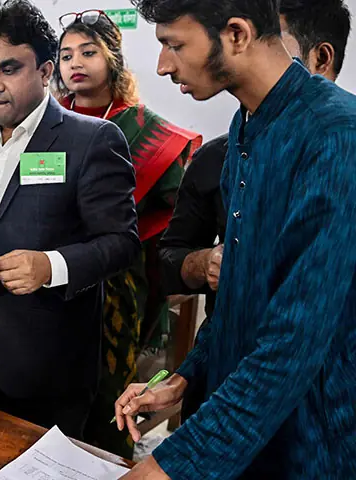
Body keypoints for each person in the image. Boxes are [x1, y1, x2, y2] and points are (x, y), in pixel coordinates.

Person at [115, 0, 356, 478]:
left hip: (306, 446)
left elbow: (292, 341)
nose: (163, 65)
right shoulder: (246, 124)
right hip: (240, 437)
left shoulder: (335, 135)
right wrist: (186, 377)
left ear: (238, 34)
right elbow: (238, 301)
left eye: (174, 45)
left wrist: (174, 464)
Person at [0, 0, 139, 440]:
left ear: (44, 72)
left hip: (44, 368)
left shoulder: (90, 140)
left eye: (8, 69)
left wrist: (50, 266)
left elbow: (121, 242)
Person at [52, 9, 201, 456]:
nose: (74, 62)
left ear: (113, 58)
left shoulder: (150, 132)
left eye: (88, 52)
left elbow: (177, 218)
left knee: (109, 387)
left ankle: (110, 453)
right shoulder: (50, 126)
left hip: (120, 284)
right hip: (56, 274)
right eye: (64, 55)